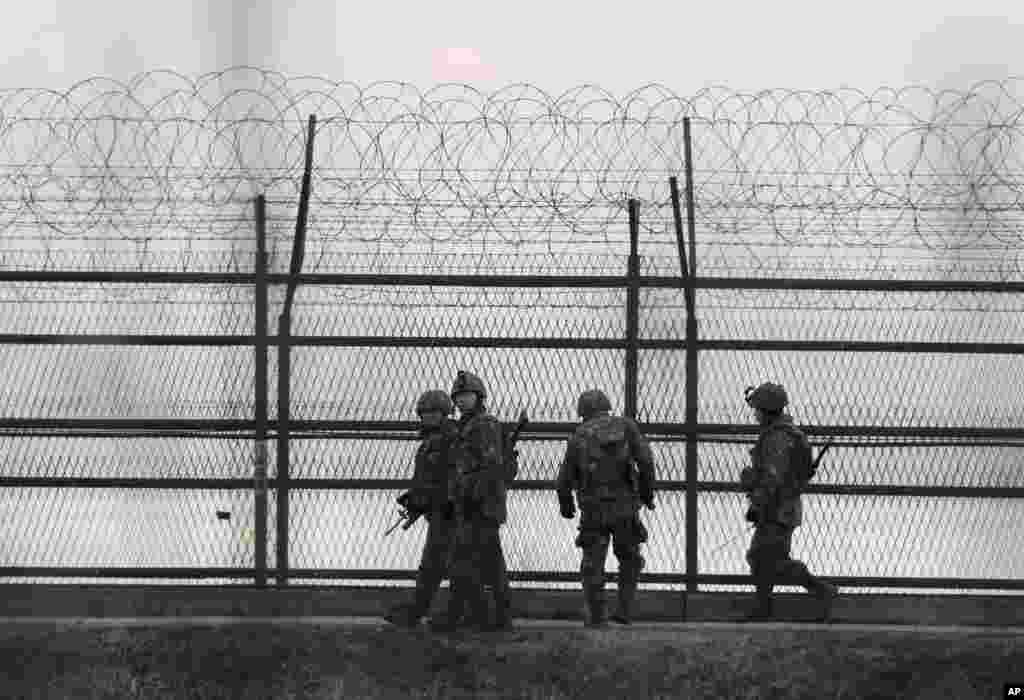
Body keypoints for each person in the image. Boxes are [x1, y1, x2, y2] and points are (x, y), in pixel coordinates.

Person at [555, 389, 655, 627]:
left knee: (593, 562)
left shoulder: (579, 435)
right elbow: (646, 462)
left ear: (583, 412)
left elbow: (564, 478)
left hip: (593, 510)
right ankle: (624, 611)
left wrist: (566, 505)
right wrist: (647, 493)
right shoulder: (626, 427)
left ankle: (597, 616)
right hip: (625, 508)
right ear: (607, 407)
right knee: (630, 558)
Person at [741, 382, 838, 622]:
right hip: (783, 508)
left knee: (767, 559)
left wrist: (757, 503)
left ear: (766, 410)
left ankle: (821, 590)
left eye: (757, 410)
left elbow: (773, 477)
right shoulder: (785, 434)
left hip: (777, 509)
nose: (755, 415)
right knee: (763, 557)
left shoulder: (777, 438)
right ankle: (764, 608)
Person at [432, 370, 512, 633]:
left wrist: (472, 497)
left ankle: (463, 617)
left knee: (469, 561)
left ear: (479, 397)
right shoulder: (467, 425)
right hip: (473, 504)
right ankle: (489, 617)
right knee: (484, 562)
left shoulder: (483, 424)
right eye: (458, 396)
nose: (461, 400)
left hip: (480, 505)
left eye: (466, 395)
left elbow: (490, 467)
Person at [383, 390, 460, 628]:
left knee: (439, 564)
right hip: (439, 510)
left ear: (445, 413)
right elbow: (426, 480)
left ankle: (422, 612)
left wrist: (428, 498)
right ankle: (425, 611)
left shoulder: (450, 440)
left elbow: (451, 477)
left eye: (433, 412)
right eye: (424, 412)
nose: (427, 417)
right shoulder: (432, 441)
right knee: (440, 563)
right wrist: (416, 498)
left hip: (450, 511)